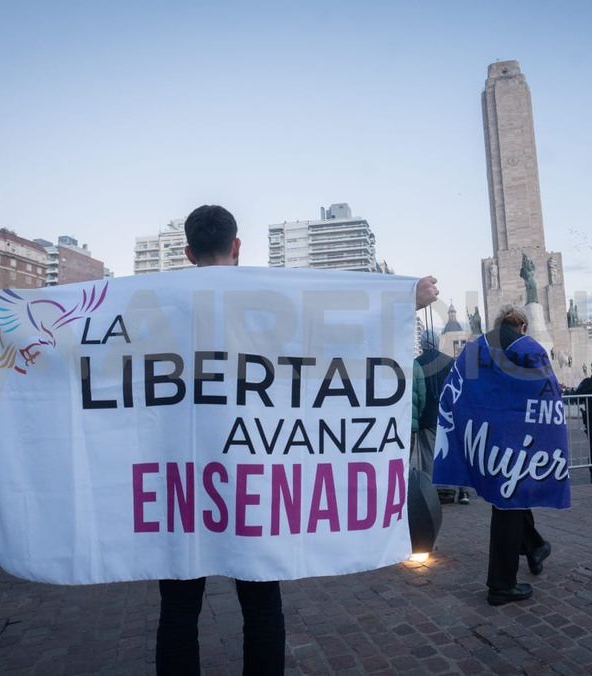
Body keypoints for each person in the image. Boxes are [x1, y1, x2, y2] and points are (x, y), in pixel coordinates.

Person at [156, 205, 440, 675]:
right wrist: (404, 300)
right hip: (251, 475)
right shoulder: (266, 299)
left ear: (187, 253)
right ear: (237, 246)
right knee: (261, 603)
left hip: (179, 481)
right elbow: (330, 330)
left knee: (179, 610)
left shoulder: (160, 302)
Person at [482, 306, 551, 606]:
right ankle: (501, 585)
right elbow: (544, 391)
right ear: (522, 325)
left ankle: (535, 546)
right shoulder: (526, 347)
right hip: (517, 435)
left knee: (511, 498)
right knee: (509, 505)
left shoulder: (479, 347)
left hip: (487, 436)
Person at [414, 331, 470, 505]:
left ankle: (434, 492)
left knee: (429, 454)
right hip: (450, 414)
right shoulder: (450, 362)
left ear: (422, 344)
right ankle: (457, 490)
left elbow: (417, 393)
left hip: (426, 416)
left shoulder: (416, 363)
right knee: (452, 450)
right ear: (437, 343)